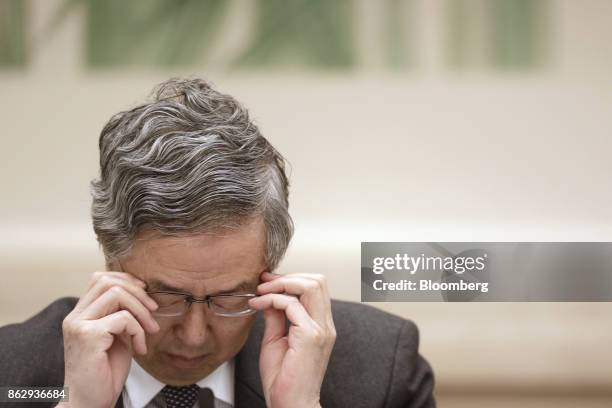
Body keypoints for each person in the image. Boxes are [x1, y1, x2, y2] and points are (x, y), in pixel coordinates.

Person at [0, 78, 436, 408]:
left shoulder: (379, 369)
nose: (193, 337)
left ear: (271, 269)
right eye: (165, 296)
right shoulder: (11, 372)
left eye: (231, 298)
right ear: (111, 256)